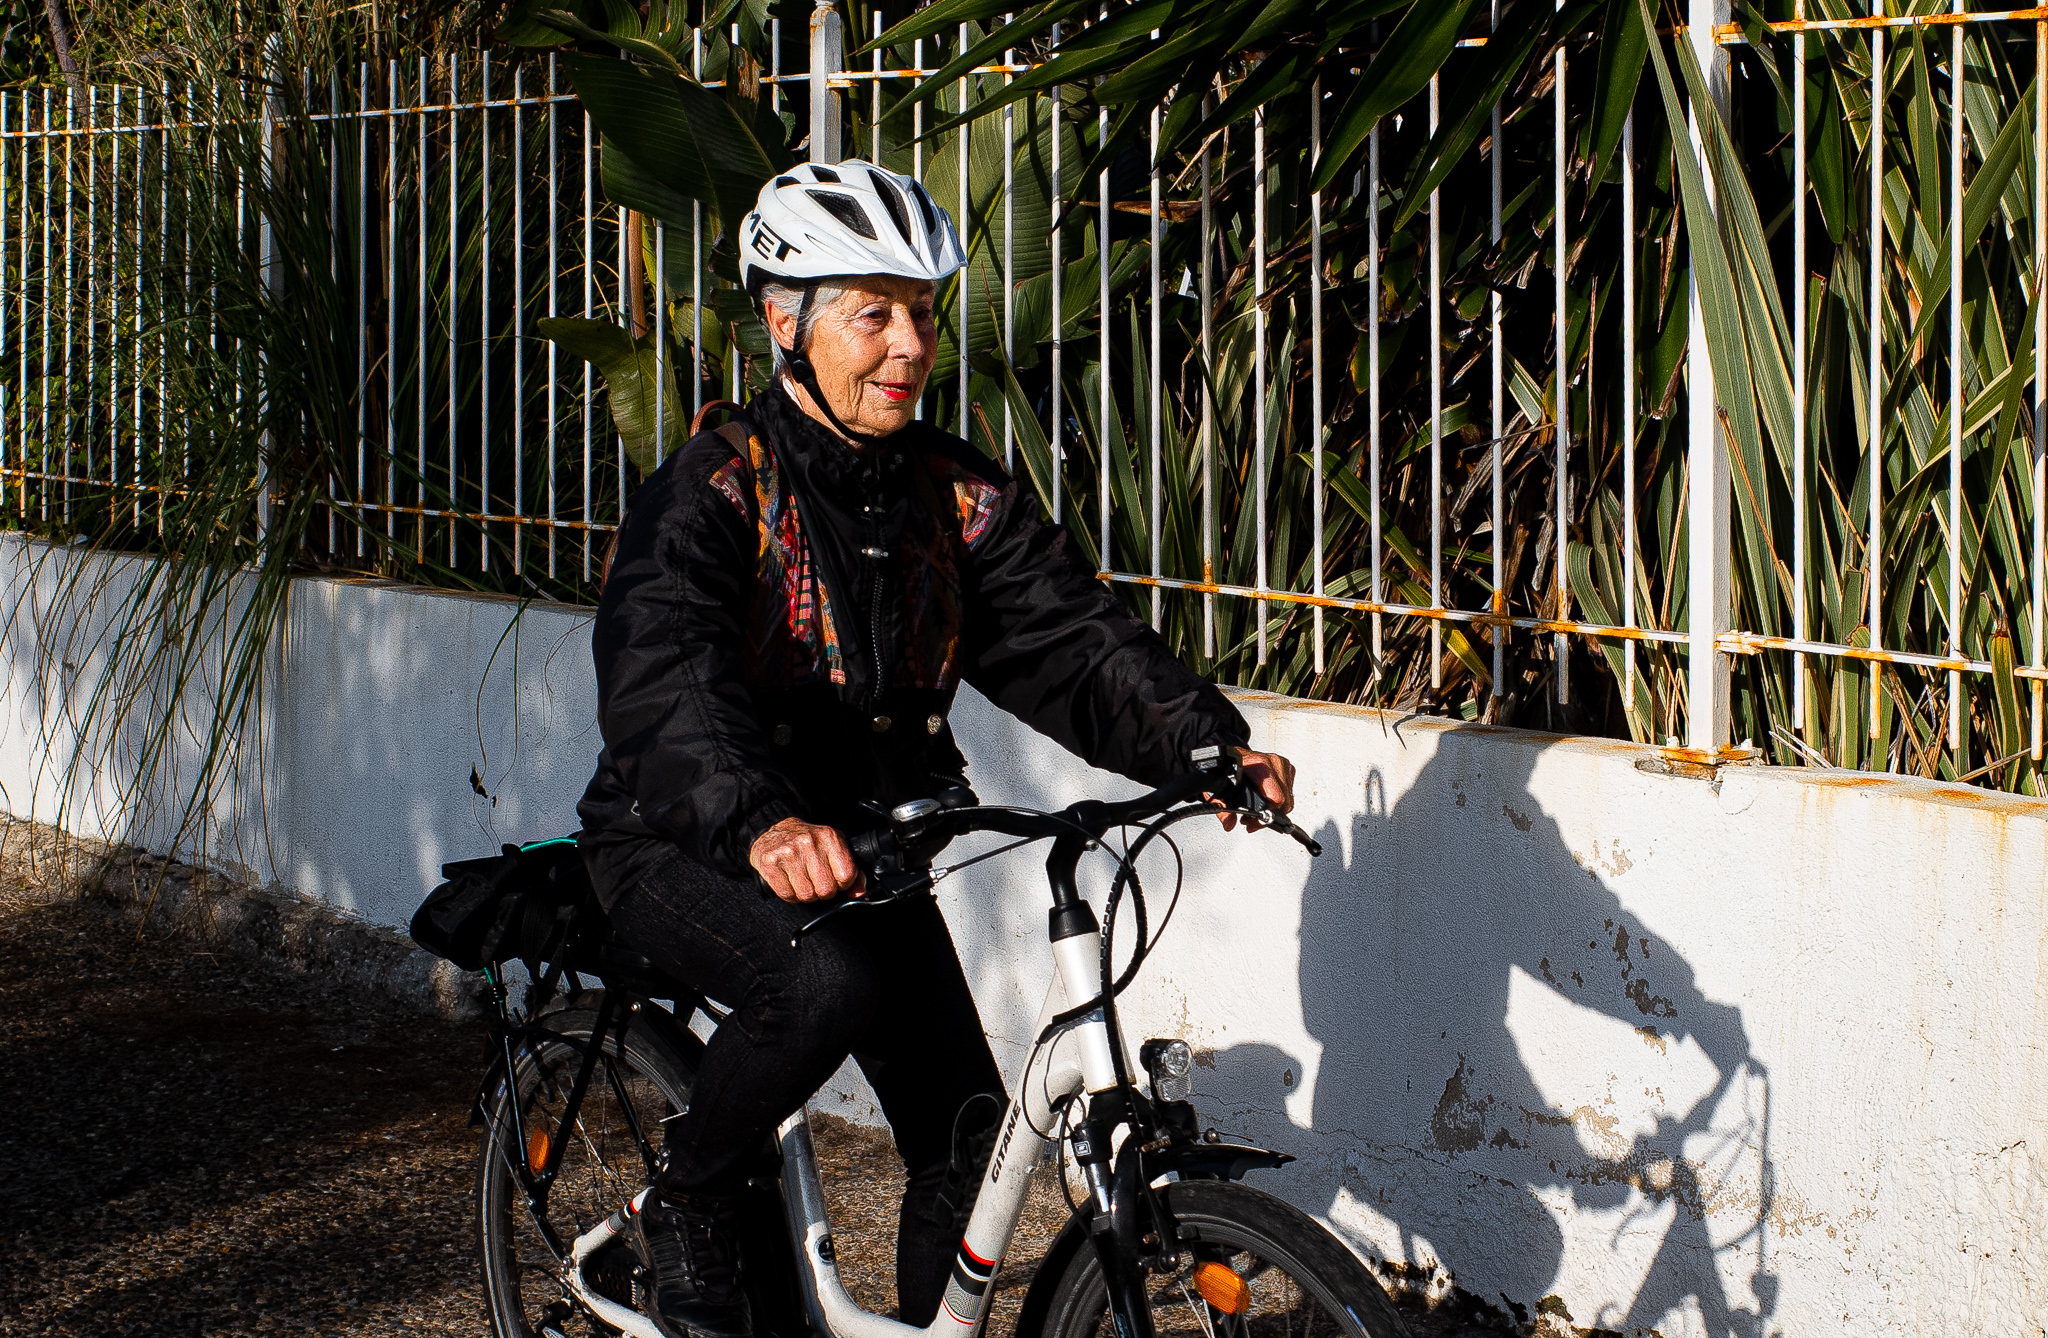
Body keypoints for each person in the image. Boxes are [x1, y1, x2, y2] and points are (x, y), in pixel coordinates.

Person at [576, 160, 1298, 1338]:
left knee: (968, 1144)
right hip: (682, 842)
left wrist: (1203, 747)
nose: (909, 344)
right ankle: (691, 1202)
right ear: (783, 324)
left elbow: (1071, 640)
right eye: (873, 314)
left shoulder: (949, 496)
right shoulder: (715, 485)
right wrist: (758, 819)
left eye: (922, 311)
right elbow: (669, 681)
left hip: (872, 846)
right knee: (821, 982)